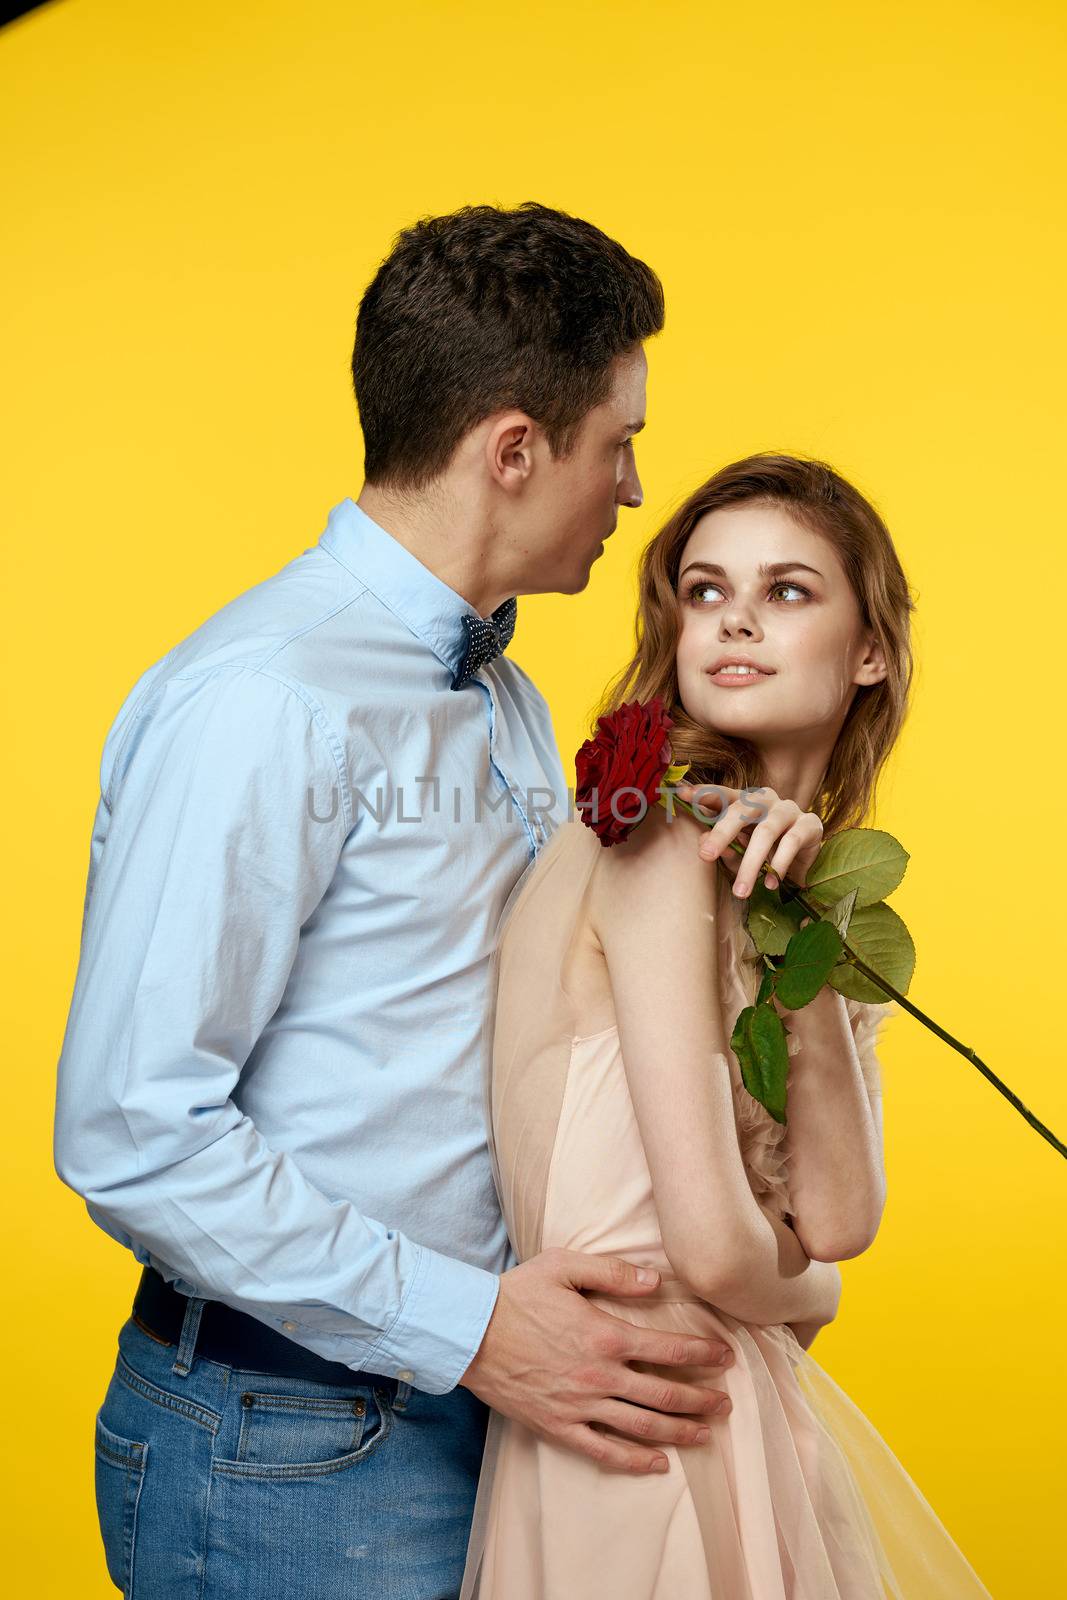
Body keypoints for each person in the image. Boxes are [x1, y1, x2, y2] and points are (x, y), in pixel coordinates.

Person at [53, 202, 740, 1599]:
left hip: (457, 1411)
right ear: (510, 451)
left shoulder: (499, 692)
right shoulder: (265, 701)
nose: (628, 491)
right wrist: (473, 1327)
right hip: (291, 1451)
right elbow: (129, 1128)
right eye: (619, 444)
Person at [459, 453, 995, 1598]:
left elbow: (840, 1215)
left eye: (785, 590)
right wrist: (812, 1291)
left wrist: (806, 943)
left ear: (869, 650)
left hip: (734, 1419)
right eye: (703, 591)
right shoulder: (655, 842)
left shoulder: (793, 897)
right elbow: (721, 1253)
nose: (732, 621)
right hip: (643, 1426)